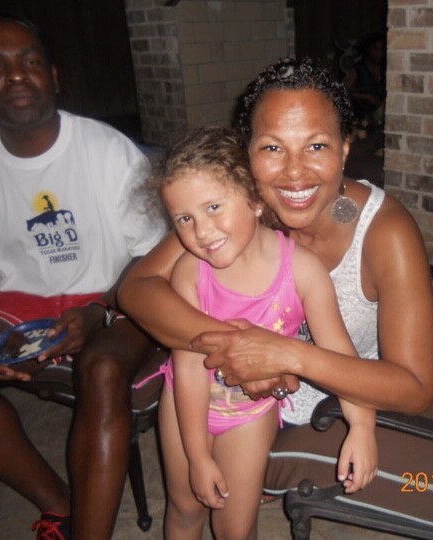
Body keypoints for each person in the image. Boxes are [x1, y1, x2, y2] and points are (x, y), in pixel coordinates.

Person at [117, 56, 433, 494]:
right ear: (246, 153)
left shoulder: (385, 233)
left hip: (334, 403)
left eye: (317, 146)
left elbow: (414, 388)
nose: (293, 171)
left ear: (345, 149)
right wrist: (239, 349)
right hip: (231, 399)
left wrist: (286, 355)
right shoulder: (242, 210)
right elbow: (136, 288)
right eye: (272, 147)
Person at [0, 15, 166, 540]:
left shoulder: (106, 150)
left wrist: (101, 311)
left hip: (118, 293)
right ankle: (61, 505)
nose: (16, 75)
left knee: (104, 367)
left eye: (30, 61)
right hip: (25, 303)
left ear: (54, 76)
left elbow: (156, 256)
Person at [148, 126, 377, 539]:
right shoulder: (188, 272)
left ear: (254, 199)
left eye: (214, 206)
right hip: (184, 404)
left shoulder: (302, 270)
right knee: (184, 509)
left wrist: (361, 428)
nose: (201, 231)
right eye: (185, 218)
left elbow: (341, 357)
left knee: (236, 526)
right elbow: (187, 369)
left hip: (250, 417)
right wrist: (197, 456)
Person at [343, 32, 387, 131]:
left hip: (381, 118)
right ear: (367, 49)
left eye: (381, 49)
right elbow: (343, 93)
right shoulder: (357, 69)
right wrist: (366, 97)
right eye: (375, 49)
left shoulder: (385, 69)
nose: (379, 53)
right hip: (361, 118)